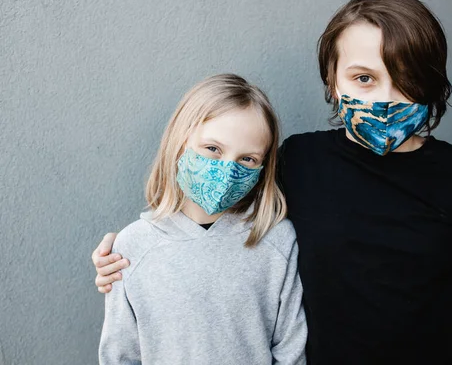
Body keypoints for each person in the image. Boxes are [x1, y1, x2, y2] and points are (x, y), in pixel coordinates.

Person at [93, 0, 452, 364]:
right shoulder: (299, 160)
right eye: (364, 78)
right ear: (333, 81)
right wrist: (124, 262)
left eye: (405, 79)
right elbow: (215, 215)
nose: (385, 98)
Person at [98, 74, 307, 364]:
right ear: (179, 141)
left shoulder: (277, 241)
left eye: (247, 159)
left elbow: (291, 350)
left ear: (262, 166)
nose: (227, 169)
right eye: (212, 149)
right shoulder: (133, 246)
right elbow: (120, 355)